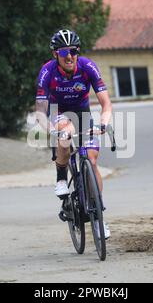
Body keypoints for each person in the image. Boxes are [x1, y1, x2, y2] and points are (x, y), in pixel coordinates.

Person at [35, 29, 113, 238]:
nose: (69, 56)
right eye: (63, 52)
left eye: (73, 51)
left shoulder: (87, 67)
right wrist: (50, 129)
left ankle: (98, 216)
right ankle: (61, 178)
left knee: (92, 159)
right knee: (66, 132)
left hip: (83, 113)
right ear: (55, 55)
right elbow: (41, 111)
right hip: (57, 112)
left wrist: (104, 124)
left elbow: (106, 103)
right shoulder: (47, 71)